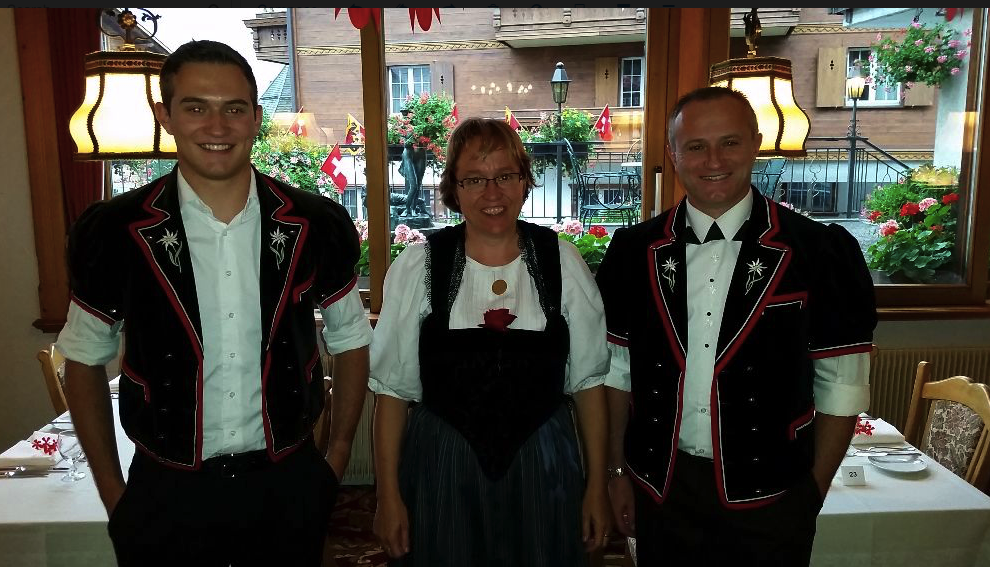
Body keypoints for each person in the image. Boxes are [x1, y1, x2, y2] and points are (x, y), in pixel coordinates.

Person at [55, 40, 372, 566]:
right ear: (167, 116)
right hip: (165, 493)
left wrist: (333, 462)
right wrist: (116, 496)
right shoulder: (114, 232)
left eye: (234, 108)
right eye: (196, 107)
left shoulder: (316, 225)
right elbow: (83, 362)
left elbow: (351, 342)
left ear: (255, 118)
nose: (217, 126)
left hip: (287, 487)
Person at [597, 87, 876, 565]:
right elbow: (617, 373)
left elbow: (842, 385)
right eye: (696, 146)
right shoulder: (632, 252)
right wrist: (616, 471)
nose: (713, 160)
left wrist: (811, 493)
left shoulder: (819, 251)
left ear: (755, 143)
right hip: (661, 489)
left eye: (729, 142)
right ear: (673, 154)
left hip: (774, 493)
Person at [370, 117, 612, 566]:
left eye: (505, 175)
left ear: (524, 181)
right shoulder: (418, 266)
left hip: (544, 464)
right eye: (475, 179)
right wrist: (388, 496)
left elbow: (588, 384)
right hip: (443, 463)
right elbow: (392, 393)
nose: (492, 192)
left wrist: (597, 483)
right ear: (454, 188)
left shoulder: (562, 261)